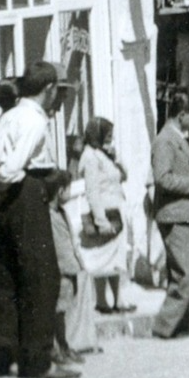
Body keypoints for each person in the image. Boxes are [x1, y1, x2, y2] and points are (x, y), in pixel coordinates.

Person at [0, 62, 73, 378]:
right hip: (22, 194)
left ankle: (0, 357)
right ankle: (36, 360)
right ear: (48, 90)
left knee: (4, 277)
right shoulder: (35, 120)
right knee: (41, 278)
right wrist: (0, 192)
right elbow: (12, 168)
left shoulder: (8, 116)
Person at [149, 92, 189, 339]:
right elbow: (162, 178)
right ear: (181, 114)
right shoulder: (165, 141)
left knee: (184, 271)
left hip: (184, 212)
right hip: (174, 215)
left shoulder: (179, 138)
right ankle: (164, 325)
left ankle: (183, 321)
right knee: (188, 273)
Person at [76, 118, 132, 313]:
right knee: (103, 258)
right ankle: (101, 300)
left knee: (116, 259)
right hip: (104, 213)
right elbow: (92, 192)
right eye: (107, 137)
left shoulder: (104, 155)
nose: (110, 141)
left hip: (115, 211)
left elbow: (123, 176)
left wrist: (116, 158)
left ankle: (118, 300)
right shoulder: (91, 157)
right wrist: (101, 221)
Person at [47, 167, 98, 359]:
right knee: (58, 310)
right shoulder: (49, 216)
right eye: (67, 189)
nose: (69, 193)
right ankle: (62, 347)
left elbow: (71, 241)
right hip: (60, 270)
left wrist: (79, 262)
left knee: (64, 309)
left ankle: (65, 345)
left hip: (70, 268)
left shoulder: (62, 212)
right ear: (60, 191)